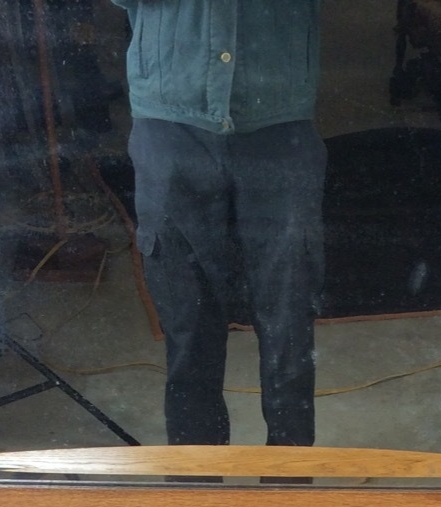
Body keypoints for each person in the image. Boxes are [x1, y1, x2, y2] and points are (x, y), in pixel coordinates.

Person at [110, 0, 325, 446]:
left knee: (289, 324)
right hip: (170, 115)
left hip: (279, 114)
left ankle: (289, 484)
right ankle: (196, 483)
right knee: (187, 325)